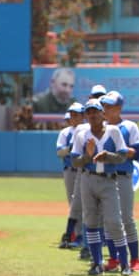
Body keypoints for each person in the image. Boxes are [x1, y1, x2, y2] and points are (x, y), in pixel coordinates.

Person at [70, 99, 132, 276]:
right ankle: (96, 263)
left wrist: (108, 156)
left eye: (95, 111)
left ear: (102, 114)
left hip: (108, 181)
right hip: (88, 180)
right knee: (90, 222)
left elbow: (122, 156)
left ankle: (124, 263)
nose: (92, 115)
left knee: (113, 222)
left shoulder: (113, 131)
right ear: (86, 116)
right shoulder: (82, 134)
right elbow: (75, 161)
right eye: (88, 112)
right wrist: (88, 156)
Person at [100, 91, 139, 272]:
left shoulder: (129, 126)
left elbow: (138, 153)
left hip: (123, 176)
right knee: (109, 220)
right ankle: (113, 259)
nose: (106, 110)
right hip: (105, 177)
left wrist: (122, 150)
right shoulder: (99, 127)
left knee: (126, 218)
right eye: (105, 106)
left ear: (119, 108)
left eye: (110, 106)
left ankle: (135, 259)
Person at [56, 102, 85, 249]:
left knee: (82, 203)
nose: (73, 117)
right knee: (72, 203)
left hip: (83, 171)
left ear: (82, 116)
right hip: (69, 170)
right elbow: (59, 152)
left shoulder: (86, 130)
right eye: (71, 114)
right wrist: (70, 148)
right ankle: (76, 234)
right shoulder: (65, 132)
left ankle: (80, 235)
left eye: (77, 114)